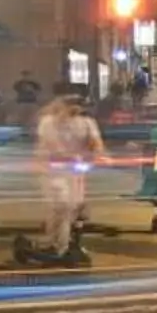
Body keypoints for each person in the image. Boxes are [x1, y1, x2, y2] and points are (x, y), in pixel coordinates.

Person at [15, 92, 102, 269]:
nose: (74, 109)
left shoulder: (86, 123)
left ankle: (64, 244)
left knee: (75, 209)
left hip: (75, 173)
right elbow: (46, 146)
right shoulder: (48, 123)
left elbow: (96, 144)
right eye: (69, 105)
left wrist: (91, 156)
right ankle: (58, 247)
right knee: (61, 206)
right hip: (53, 173)